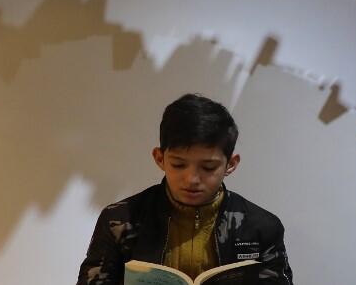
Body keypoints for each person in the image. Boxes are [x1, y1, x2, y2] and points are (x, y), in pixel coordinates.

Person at [76, 93, 293, 284]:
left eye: (208, 167)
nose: (191, 179)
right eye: (178, 165)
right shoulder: (120, 220)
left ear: (231, 164)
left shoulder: (261, 227)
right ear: (159, 158)